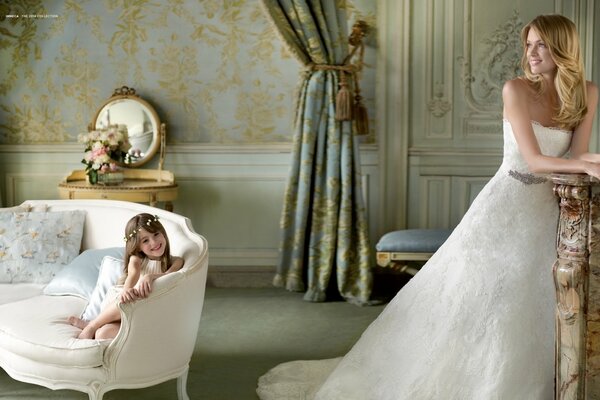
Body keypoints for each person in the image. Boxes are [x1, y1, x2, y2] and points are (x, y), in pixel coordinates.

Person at [256, 14, 599, 399]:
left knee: (539, 300)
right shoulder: (515, 90)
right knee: (484, 299)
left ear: (562, 49)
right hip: (506, 205)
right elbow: (535, 161)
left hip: (548, 211)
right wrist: (587, 164)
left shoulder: (587, 92)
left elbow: (579, 153)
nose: (531, 53)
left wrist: (589, 162)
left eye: (541, 45)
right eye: (529, 44)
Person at [68, 213, 184, 340]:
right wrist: (127, 290)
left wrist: (150, 276)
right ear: (138, 246)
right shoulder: (136, 259)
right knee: (131, 296)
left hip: (141, 312)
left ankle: (92, 325)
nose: (154, 242)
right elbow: (133, 274)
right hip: (121, 304)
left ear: (162, 232)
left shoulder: (176, 261)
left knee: (103, 334)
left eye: (156, 234)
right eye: (145, 240)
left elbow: (168, 275)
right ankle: (92, 326)